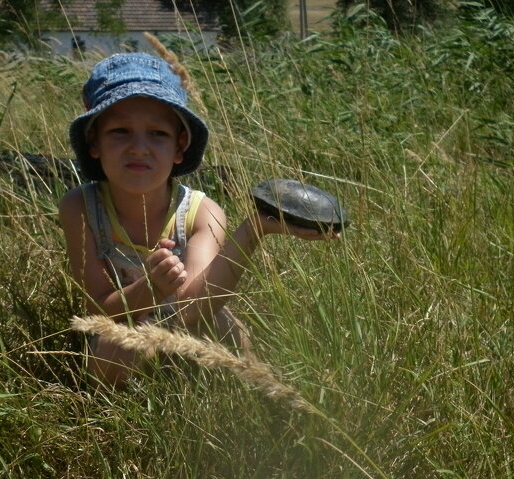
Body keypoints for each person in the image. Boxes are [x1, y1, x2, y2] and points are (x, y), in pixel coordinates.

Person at [59, 52, 338, 386]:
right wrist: (149, 288)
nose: (139, 147)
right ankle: (124, 411)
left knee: (227, 331)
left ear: (180, 147)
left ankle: (232, 401)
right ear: (94, 143)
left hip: (192, 327)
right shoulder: (80, 207)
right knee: (115, 352)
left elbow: (192, 310)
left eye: (158, 134)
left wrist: (255, 229)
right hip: (126, 326)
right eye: (120, 131)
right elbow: (99, 311)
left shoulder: (203, 212)